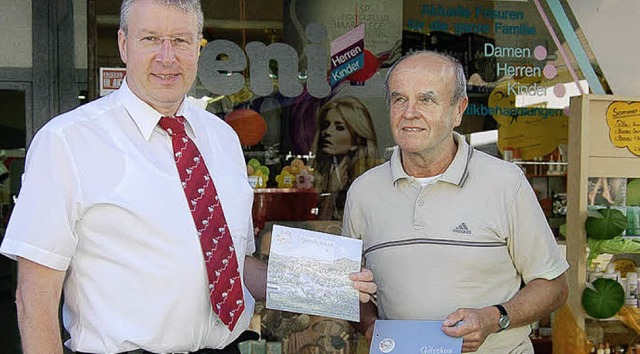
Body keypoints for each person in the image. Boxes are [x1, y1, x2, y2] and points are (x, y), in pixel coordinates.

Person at [0, 1, 376, 353]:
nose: (167, 58)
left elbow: (231, 263)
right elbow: (34, 295)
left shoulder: (222, 138)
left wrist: (326, 284)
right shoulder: (67, 141)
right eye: (151, 39)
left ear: (199, 47)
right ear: (123, 44)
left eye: (180, 41)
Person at [343, 51, 569, 353]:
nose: (409, 112)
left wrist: (494, 318)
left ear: (458, 110)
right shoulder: (363, 192)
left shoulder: (505, 183)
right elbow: (348, 291)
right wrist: (369, 326)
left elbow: (554, 287)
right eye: (399, 100)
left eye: (426, 100)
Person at [313, 97, 379, 220]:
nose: (327, 132)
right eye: (326, 125)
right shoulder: (315, 178)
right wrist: (331, 192)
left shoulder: (372, 182)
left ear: (357, 140)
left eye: (339, 128)